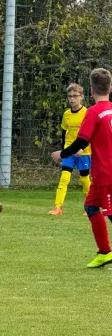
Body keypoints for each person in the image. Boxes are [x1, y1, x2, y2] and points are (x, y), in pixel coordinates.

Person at [52, 68, 112, 268]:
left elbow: (81, 141)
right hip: (101, 173)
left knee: (109, 212)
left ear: (92, 90)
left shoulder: (93, 112)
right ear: (110, 88)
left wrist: (62, 153)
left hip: (106, 173)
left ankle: (105, 252)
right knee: (91, 207)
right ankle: (104, 252)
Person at [49, 83, 91, 215]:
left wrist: (81, 149)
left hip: (84, 152)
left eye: (75, 96)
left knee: (84, 179)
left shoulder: (87, 113)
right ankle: (58, 207)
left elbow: (90, 134)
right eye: (69, 96)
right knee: (64, 178)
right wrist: (63, 152)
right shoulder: (66, 114)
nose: (72, 99)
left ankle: (90, 206)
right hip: (68, 151)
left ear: (81, 97)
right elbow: (64, 133)